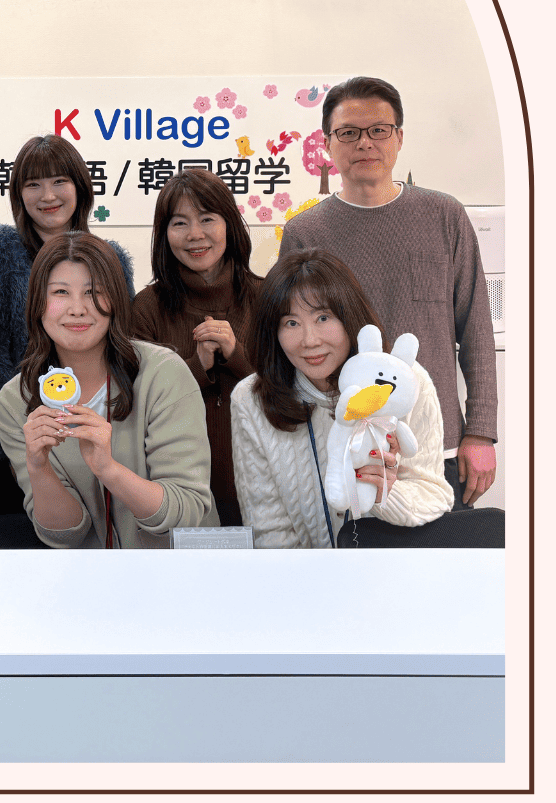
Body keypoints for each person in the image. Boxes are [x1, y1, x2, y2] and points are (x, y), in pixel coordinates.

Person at [277, 75, 497, 508]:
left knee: (442, 553)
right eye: (348, 133)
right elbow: (294, 343)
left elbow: (476, 330)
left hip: (438, 444)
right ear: (327, 144)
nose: (365, 143)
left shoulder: (444, 216)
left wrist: (482, 432)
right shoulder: (304, 233)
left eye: (378, 130)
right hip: (349, 446)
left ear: (398, 138)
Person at [0, 232, 215, 548]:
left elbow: (187, 512)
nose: (77, 309)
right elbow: (64, 535)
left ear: (115, 300)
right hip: (87, 574)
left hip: (180, 567)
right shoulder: (16, 401)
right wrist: (38, 467)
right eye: (60, 292)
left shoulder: (163, 373)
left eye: (93, 292)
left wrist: (107, 469)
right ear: (37, 303)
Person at [0, 135, 135, 513]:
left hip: (88, 440)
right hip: (5, 446)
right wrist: (13, 444)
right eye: (33, 184)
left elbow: (120, 353)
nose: (48, 195)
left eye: (59, 181)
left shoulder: (111, 259)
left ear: (80, 187)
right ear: (18, 195)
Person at [230, 251, 451, 548]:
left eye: (323, 318)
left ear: (349, 317)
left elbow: (435, 496)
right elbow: (269, 532)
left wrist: (385, 492)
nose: (310, 340)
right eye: (291, 323)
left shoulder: (405, 381)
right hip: (300, 574)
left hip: (393, 568)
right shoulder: (250, 400)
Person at [130, 168, 262, 526]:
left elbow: (290, 392)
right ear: (164, 234)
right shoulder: (146, 307)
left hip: (265, 487)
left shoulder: (267, 297)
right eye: (180, 223)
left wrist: (237, 356)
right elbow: (135, 405)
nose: (195, 235)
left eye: (207, 219)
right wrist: (194, 367)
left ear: (229, 224)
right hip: (178, 491)